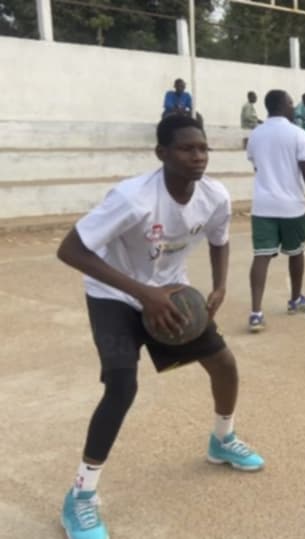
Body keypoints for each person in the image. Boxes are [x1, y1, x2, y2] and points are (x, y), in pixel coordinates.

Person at [55, 115, 265, 539]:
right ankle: (80, 497)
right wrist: (142, 293)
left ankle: (222, 440)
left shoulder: (215, 196)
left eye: (203, 148)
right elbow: (70, 249)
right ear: (162, 153)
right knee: (121, 386)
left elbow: (220, 240)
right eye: (187, 149)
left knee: (223, 364)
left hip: (169, 293)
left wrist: (220, 285)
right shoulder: (132, 198)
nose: (198, 156)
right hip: (113, 295)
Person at [246, 90, 305, 332]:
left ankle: (256, 313)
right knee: (296, 252)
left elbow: (257, 167)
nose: (294, 107)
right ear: (282, 106)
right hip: (292, 206)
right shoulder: (298, 134)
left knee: (261, 256)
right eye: (291, 103)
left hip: (263, 206)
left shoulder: (256, 134)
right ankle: (295, 300)